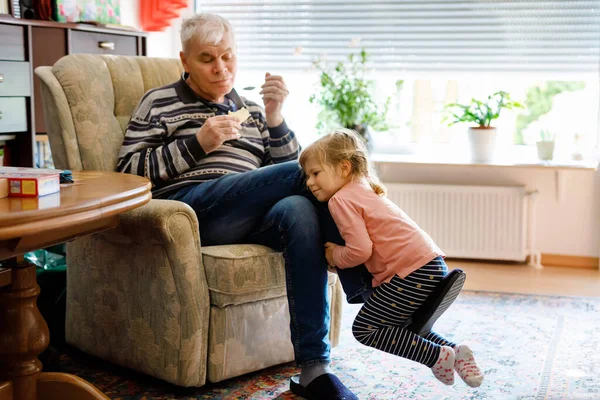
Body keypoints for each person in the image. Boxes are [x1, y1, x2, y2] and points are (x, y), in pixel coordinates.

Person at [116, 13, 360, 400]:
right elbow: (127, 171)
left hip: (249, 218)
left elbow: (295, 174)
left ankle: (315, 368)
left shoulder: (252, 110)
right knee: (313, 177)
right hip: (190, 212)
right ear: (185, 61)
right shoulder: (158, 102)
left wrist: (276, 118)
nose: (221, 68)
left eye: (228, 57)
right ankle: (371, 275)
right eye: (207, 59)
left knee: (299, 208)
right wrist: (198, 143)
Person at [299, 129, 484, 388]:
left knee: (366, 328)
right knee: (401, 325)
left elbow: (360, 249)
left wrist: (334, 255)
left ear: (343, 167)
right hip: (432, 264)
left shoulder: (340, 200)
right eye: (307, 175)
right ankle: (456, 352)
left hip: (412, 272)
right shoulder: (363, 189)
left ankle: (435, 356)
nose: (309, 181)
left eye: (315, 173)